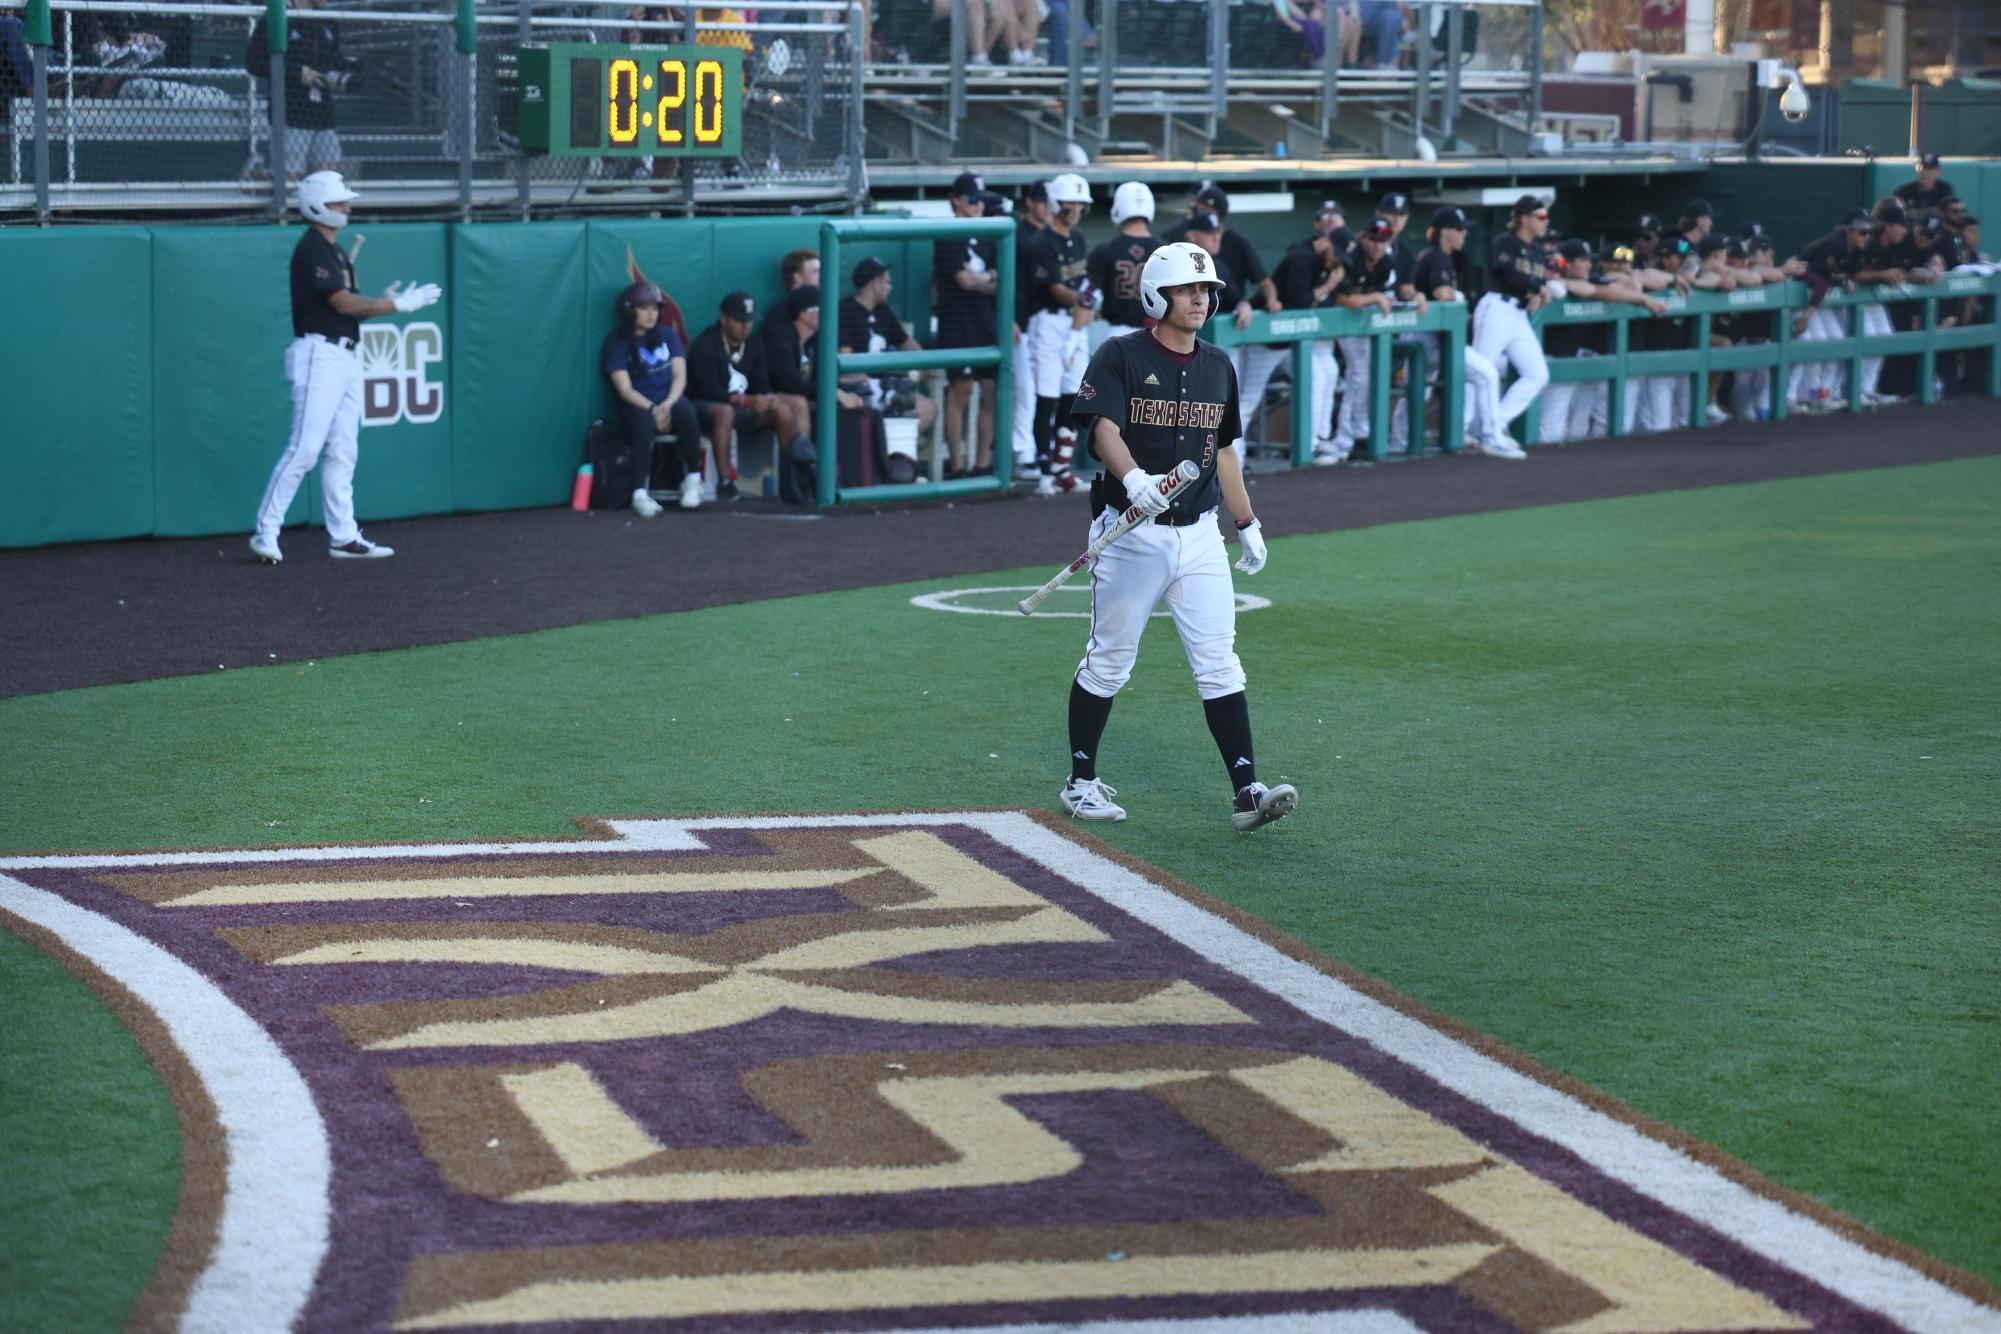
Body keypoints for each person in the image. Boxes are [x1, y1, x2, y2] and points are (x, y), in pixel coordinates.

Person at [1058, 241, 1297, 834]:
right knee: (1110, 660)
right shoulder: (1118, 354)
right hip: (1130, 533)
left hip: (1200, 536)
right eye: (1188, 289)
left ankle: (1247, 791)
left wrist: (1247, 523)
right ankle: (1080, 783)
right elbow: (1101, 431)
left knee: (1220, 664)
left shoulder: (1219, 365)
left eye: (1207, 289)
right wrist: (1134, 478)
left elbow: (1224, 452)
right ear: (1155, 295)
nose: (1201, 298)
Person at [249, 172, 439, 563]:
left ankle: (344, 536)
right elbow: (341, 304)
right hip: (320, 356)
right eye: (340, 203)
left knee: (343, 449)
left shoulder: (333, 251)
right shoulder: (313, 248)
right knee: (305, 448)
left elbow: (349, 310)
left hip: (344, 355)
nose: (347, 208)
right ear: (319, 206)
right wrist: (400, 305)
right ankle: (266, 532)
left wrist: (382, 302)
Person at [1404, 205, 1511, 456]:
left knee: (1418, 391)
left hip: (1424, 337)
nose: (1464, 234)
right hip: (1431, 338)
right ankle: (1491, 437)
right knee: (1486, 374)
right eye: (1459, 229)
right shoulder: (1437, 255)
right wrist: (1458, 296)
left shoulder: (1440, 256)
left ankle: (1402, 440)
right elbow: (1442, 294)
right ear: (1444, 232)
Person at [1537, 240, 1666, 444]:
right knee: (1549, 429)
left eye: (1589, 260)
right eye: (1582, 260)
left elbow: (1606, 289)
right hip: (1545, 359)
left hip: (1572, 359)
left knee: (1575, 428)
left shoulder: (1591, 281)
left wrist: (1642, 297)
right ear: (1566, 263)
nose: (1588, 264)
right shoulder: (1549, 281)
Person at [687, 291, 811, 499]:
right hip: (705, 409)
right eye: (740, 320)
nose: (746, 326)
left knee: (781, 408)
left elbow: (762, 383)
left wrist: (766, 398)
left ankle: (797, 478)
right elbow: (708, 389)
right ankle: (726, 482)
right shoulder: (706, 344)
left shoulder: (754, 344)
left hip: (743, 409)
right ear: (724, 318)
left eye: (750, 321)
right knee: (725, 411)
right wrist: (745, 400)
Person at [602, 280, 708, 513]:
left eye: (655, 308)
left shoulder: (668, 335)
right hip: (637, 404)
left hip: (668, 399)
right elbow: (625, 390)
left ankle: (692, 479)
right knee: (643, 422)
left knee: (686, 410)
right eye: (644, 308)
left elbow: (680, 375)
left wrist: (668, 404)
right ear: (630, 310)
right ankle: (639, 494)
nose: (651, 314)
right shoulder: (617, 342)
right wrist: (653, 409)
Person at [1021, 173, 1095, 494]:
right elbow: (1055, 289)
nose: (1075, 208)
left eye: (1079, 203)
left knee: (1074, 397)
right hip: (1048, 322)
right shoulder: (1041, 242)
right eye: (1070, 202)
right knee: (1046, 398)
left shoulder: (1077, 238)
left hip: (1075, 323)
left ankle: (1061, 466)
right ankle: (1043, 471)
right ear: (1056, 203)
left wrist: (1086, 301)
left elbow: (1081, 284)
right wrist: (1085, 299)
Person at [1467, 195, 1554, 459]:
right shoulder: (1505, 242)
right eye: (1540, 216)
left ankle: (1496, 425)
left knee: (1537, 374)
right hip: (1496, 309)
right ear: (1524, 218)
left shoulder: (1538, 250)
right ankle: (1464, 428)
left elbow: (1533, 282)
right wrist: (1535, 288)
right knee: (1481, 369)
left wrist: (1537, 295)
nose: (1544, 221)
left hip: (1518, 315)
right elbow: (1506, 273)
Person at [837, 255, 937, 472]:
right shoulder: (845, 311)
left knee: (927, 410)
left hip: (887, 385)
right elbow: (844, 362)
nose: (890, 287)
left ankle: (891, 461)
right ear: (875, 284)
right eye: (887, 282)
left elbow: (907, 344)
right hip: (858, 388)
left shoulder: (884, 312)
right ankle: (880, 463)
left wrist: (929, 366)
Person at [1251, 229, 1343, 461]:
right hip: (1260, 338)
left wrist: (1325, 292)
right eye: (1336, 254)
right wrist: (1327, 288)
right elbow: (1298, 304)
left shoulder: (1323, 264)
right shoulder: (1301, 258)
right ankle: (1234, 460)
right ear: (1325, 241)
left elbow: (1325, 302)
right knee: (1245, 399)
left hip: (1287, 343)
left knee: (1323, 374)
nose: (1336, 262)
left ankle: (1316, 442)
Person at [933, 171, 1000, 475]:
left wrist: (983, 280)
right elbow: (964, 281)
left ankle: (983, 462)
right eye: (972, 199)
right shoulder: (948, 234)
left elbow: (998, 281)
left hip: (984, 320)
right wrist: (986, 280)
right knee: (961, 390)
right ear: (957, 201)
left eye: (981, 199)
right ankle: (958, 463)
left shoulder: (989, 234)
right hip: (957, 321)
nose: (978, 205)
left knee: (990, 390)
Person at [1327, 215, 1403, 460]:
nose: (1376, 245)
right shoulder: (1353, 256)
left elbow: (1384, 293)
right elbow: (1343, 299)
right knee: (1358, 374)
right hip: (1333, 321)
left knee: (1364, 375)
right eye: (1372, 238)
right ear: (1364, 237)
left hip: (1359, 325)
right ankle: (1345, 438)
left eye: (1382, 240)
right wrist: (1375, 299)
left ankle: (1357, 434)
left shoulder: (1387, 262)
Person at [247, 0, 345, 179]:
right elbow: (255, 62)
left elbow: (334, 60)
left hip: (322, 111)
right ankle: (262, 180)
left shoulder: (327, 19)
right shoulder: (277, 15)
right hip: (290, 110)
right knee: (290, 177)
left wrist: (343, 75)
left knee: (329, 173)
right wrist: (297, 72)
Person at [1786, 208, 1872, 412]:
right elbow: (1818, 276)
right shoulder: (1835, 244)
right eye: (1862, 232)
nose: (1867, 236)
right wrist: (1841, 280)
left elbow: (1837, 276)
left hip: (1818, 300)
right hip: (1799, 296)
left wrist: (1843, 279)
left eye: (1869, 232)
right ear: (1848, 231)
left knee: (1835, 341)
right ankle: (1791, 396)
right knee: (1809, 345)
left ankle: (1822, 394)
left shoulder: (1856, 249)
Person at [1009, 180, 1053, 477]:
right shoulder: (1018, 235)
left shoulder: (1051, 237)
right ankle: (1022, 454)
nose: (1048, 208)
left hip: (1044, 323)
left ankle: (1037, 452)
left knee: (1043, 393)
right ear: (1030, 202)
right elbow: (1009, 282)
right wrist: (1010, 318)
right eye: (1043, 201)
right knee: (1025, 392)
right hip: (1020, 323)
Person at [1087, 181, 1164, 342]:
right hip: (1157, 333)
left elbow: (1089, 295)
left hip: (1117, 332)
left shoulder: (1104, 249)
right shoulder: (1164, 251)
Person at [760, 248, 821, 346]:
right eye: (816, 272)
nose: (822, 275)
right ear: (797, 277)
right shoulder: (778, 315)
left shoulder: (825, 310)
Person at [1893, 154, 1956, 222]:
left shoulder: (1945, 189)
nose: (1924, 172)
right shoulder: (1904, 191)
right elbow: (1895, 214)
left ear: (1938, 171)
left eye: (1929, 169)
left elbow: (1950, 212)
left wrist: (1916, 213)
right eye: (1921, 168)